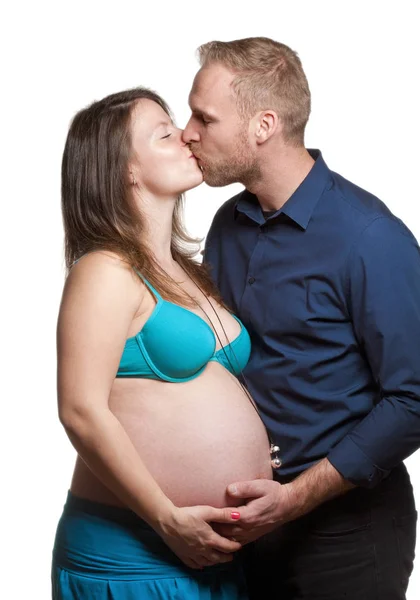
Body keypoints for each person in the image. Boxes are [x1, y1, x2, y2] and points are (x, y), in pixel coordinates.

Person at [182, 37, 420, 599]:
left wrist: (295, 497)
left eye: (203, 118)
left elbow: (413, 399)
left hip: (348, 535)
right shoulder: (227, 224)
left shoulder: (371, 239)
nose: (188, 132)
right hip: (247, 525)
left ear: (263, 126)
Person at [51, 87, 274, 600]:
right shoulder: (104, 269)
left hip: (214, 559)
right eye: (165, 134)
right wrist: (166, 519)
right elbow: (80, 411)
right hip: (131, 558)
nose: (188, 138)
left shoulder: (191, 272)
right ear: (125, 169)